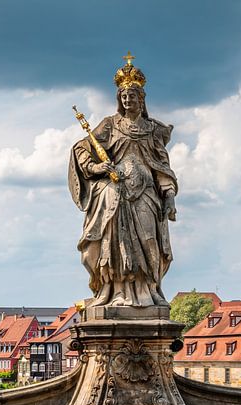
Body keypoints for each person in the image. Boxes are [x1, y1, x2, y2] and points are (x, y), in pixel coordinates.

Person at [68, 55, 177, 308]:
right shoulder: (109, 125)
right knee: (114, 245)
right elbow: (81, 148)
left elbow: (163, 168)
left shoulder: (152, 130)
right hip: (116, 193)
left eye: (133, 96)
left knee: (150, 240)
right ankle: (115, 291)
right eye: (124, 96)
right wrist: (97, 167)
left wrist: (169, 196)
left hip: (146, 192)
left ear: (142, 99)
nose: (128, 100)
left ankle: (150, 290)